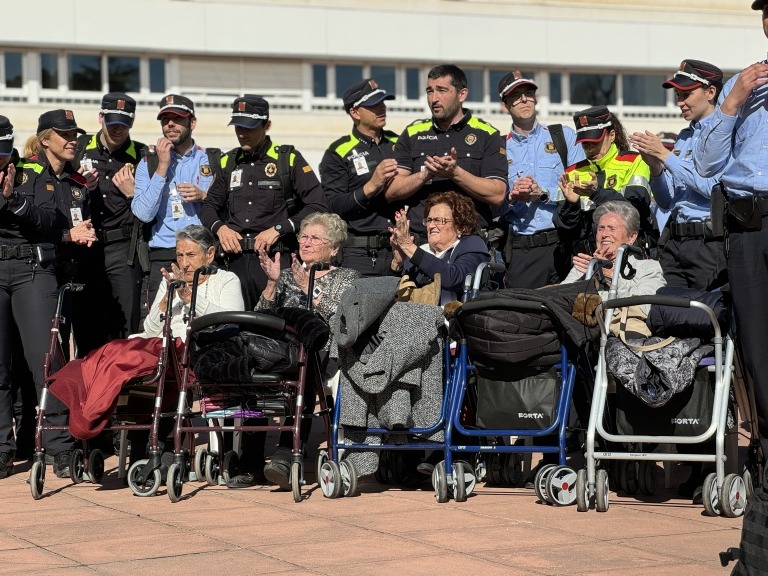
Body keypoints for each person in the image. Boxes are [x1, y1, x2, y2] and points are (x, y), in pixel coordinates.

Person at [225, 212, 360, 489]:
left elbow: (341, 322)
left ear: (334, 248)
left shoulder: (347, 277)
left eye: (315, 238)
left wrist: (308, 290)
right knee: (250, 364)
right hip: (279, 349)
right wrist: (273, 284)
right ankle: (251, 460)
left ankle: (287, 454)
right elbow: (261, 319)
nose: (306, 243)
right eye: (303, 237)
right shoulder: (285, 275)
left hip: (322, 351)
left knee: (304, 360)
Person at [694, 0, 768, 478]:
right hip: (749, 222)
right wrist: (732, 101)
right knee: (758, 341)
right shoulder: (748, 81)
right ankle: (765, 448)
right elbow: (705, 163)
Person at [3, 111, 95, 479]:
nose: (72, 139)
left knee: (48, 363)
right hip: (2, 268)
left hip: (36, 271)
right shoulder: (18, 168)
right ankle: (2, 450)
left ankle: (59, 446)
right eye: (64, 134)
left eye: (75, 134)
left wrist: (16, 207)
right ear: (45, 139)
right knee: (1, 368)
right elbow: (39, 222)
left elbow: (50, 224)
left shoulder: (77, 186)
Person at [200, 95, 327, 309]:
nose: (242, 133)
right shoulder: (227, 162)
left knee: (276, 327)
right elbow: (208, 207)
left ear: (266, 125)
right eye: (238, 127)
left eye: (249, 127)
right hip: (234, 261)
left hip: (275, 259)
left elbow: (318, 205)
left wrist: (279, 228)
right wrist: (220, 229)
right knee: (234, 328)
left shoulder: (287, 159)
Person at [631, 60, 727, 291]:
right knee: (668, 311)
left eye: (686, 94)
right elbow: (666, 201)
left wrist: (664, 155)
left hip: (709, 241)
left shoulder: (724, 132)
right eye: (677, 95)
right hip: (676, 241)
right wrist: (654, 167)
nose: (679, 102)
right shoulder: (684, 136)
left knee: (708, 314)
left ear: (710, 92)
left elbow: (712, 189)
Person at [386, 64, 507, 245]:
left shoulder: (487, 134)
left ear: (462, 94)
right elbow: (391, 190)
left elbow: (497, 194)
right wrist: (425, 174)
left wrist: (455, 173)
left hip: (469, 240)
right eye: (429, 91)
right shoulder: (412, 133)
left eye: (442, 90)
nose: (434, 98)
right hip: (421, 241)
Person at [72, 93, 148, 353]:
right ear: (100, 118)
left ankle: (122, 389)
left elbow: (152, 207)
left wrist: (135, 191)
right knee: (86, 325)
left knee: (125, 328)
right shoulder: (78, 147)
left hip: (123, 248)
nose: (117, 129)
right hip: (85, 249)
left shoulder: (143, 155)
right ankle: (89, 389)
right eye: (112, 122)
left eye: (124, 123)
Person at [497, 71, 585, 288]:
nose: (524, 99)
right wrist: (511, 197)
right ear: (505, 105)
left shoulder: (563, 136)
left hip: (564, 243)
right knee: (523, 317)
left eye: (528, 93)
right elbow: (492, 201)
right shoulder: (498, 147)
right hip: (522, 249)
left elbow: (583, 190)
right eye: (516, 96)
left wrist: (543, 194)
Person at [133, 94, 216, 312]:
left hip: (201, 254)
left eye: (177, 118)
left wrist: (204, 196)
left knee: (203, 320)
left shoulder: (212, 159)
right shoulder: (148, 163)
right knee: (160, 324)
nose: (170, 124)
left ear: (192, 122)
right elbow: (143, 213)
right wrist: (162, 166)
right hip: (163, 254)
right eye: (165, 119)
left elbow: (228, 205)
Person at [320, 79, 401, 276]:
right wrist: (371, 185)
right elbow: (333, 205)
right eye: (373, 105)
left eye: (382, 103)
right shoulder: (337, 151)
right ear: (355, 112)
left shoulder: (398, 142)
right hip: (359, 254)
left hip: (400, 250)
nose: (381, 108)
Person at [556, 106, 655, 258]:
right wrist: (572, 205)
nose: (590, 148)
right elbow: (566, 229)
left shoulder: (635, 161)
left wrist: (596, 193)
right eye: (585, 143)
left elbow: (635, 209)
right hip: (586, 258)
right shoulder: (572, 172)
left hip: (628, 255)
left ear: (612, 135)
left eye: (595, 141)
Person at [389, 190, 489, 306]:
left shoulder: (472, 244)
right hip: (414, 319)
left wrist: (408, 247)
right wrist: (397, 264)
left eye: (438, 220)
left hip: (453, 319)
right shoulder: (423, 250)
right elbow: (392, 297)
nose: (431, 226)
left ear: (460, 226)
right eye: (429, 220)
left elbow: (454, 278)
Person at [564, 201, 666, 298]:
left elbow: (646, 307)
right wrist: (587, 276)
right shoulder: (586, 265)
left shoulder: (648, 268)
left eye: (612, 228)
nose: (604, 234)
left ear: (631, 237)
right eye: (601, 228)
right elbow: (558, 299)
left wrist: (610, 274)